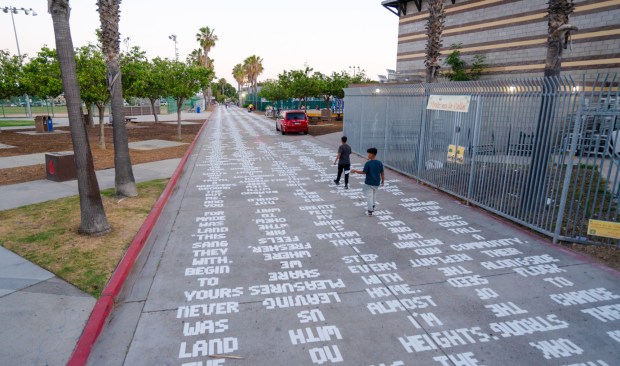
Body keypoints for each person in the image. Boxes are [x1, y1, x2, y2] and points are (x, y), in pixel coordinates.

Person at [351, 147, 384, 216]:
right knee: (374, 194)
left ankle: (370, 210)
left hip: (369, 183)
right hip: (377, 182)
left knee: (369, 196)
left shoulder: (368, 163)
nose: (368, 155)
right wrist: (383, 181)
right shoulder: (380, 163)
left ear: (372, 154)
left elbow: (364, 172)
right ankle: (373, 206)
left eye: (369, 153)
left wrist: (355, 171)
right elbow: (382, 173)